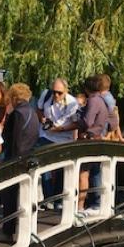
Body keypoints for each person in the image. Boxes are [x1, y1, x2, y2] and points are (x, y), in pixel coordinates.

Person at [0, 84, 39, 240]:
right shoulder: (32, 113)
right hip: (28, 156)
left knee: (11, 197)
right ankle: (25, 230)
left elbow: (13, 139)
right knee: (23, 197)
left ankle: (8, 231)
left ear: (14, 98)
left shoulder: (17, 114)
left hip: (16, 158)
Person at [34, 78, 80, 210]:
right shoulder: (46, 95)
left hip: (63, 138)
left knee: (60, 169)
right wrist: (42, 118)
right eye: (54, 92)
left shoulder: (72, 103)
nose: (56, 95)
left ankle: (58, 199)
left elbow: (77, 123)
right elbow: (38, 109)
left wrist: (61, 129)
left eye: (59, 93)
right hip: (46, 135)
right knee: (44, 167)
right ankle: (48, 198)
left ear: (66, 91)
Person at [74, 76, 110, 213]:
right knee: (95, 173)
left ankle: (81, 207)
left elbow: (88, 121)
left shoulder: (93, 101)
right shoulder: (102, 101)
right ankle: (97, 203)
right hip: (98, 138)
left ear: (87, 88)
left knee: (83, 173)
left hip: (89, 139)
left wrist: (78, 120)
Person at [96, 74, 124, 144]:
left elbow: (114, 118)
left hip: (103, 134)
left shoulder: (106, 99)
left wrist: (109, 136)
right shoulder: (107, 97)